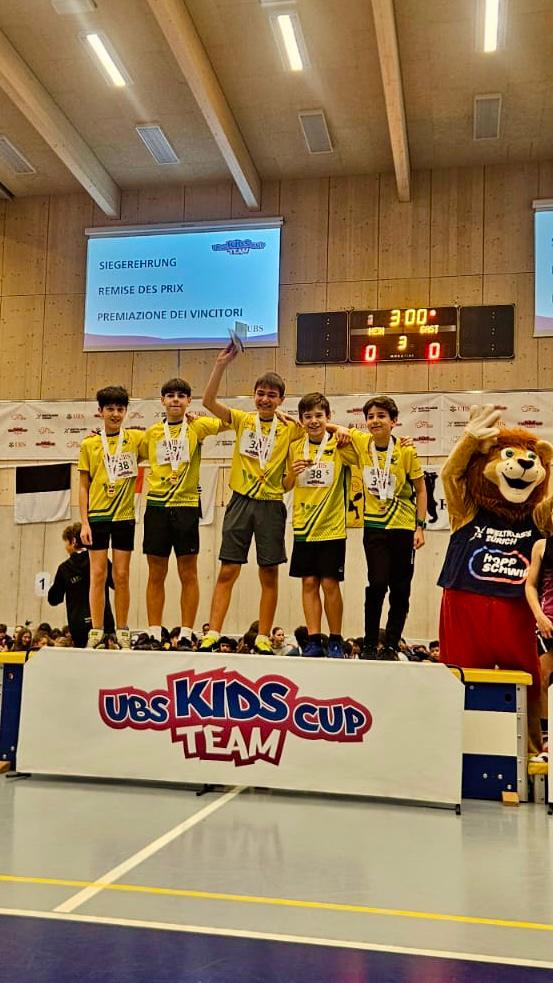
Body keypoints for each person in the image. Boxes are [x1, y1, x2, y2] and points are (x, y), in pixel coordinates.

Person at [199, 342, 304, 654]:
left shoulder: (291, 428)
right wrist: (220, 365)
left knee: (269, 573)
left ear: (281, 400)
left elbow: (321, 426)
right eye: (261, 393)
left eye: (272, 395)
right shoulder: (243, 420)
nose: (265, 399)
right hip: (240, 502)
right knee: (228, 569)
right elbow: (208, 402)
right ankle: (213, 632)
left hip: (271, 505)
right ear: (253, 395)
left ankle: (263, 636)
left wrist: (292, 475)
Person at [140, 378, 228, 647]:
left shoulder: (197, 426)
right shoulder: (152, 433)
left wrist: (205, 416)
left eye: (181, 395)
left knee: (188, 573)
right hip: (157, 507)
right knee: (156, 573)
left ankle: (187, 633)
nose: (175, 399)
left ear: (189, 401)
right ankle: (154, 633)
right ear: (162, 401)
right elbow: (126, 449)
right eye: (170, 395)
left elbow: (232, 422)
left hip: (186, 507)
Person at [348, 396, 427, 661]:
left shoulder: (406, 451)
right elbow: (331, 428)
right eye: (370, 416)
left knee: (400, 589)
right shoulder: (362, 443)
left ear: (394, 421)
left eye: (381, 416)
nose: (375, 421)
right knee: (377, 584)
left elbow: (421, 490)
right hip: (374, 526)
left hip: (403, 527)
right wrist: (341, 433)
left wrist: (420, 527)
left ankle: (391, 645)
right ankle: (370, 644)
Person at [284, 393, 358, 658]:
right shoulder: (295, 447)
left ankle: (335, 639)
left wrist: (342, 430)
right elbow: (285, 485)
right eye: (308, 416)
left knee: (329, 584)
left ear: (328, 417)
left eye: (319, 415)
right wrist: (292, 473)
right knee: (308, 583)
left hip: (332, 527)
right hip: (304, 527)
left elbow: (361, 456)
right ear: (301, 420)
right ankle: (314, 639)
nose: (313, 421)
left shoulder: (340, 444)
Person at [78, 386, 144, 649]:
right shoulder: (89, 444)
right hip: (97, 517)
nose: (115, 414)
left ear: (126, 411)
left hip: (124, 517)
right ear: (100, 411)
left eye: (120, 409)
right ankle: (96, 630)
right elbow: (83, 486)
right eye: (110, 409)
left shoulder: (136, 439)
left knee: (122, 574)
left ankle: (122, 630)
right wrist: (84, 522)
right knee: (97, 574)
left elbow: (163, 437)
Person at [48, 522, 115, 648]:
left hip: (78, 626)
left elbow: (54, 599)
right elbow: (116, 584)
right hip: (104, 622)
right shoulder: (102, 562)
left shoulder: (64, 568)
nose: (65, 547)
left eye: (66, 543)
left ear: (73, 541)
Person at [525, 537, 553, 731]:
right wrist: (539, 615)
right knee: (542, 676)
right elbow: (530, 585)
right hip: (548, 624)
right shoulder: (542, 546)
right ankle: (545, 736)